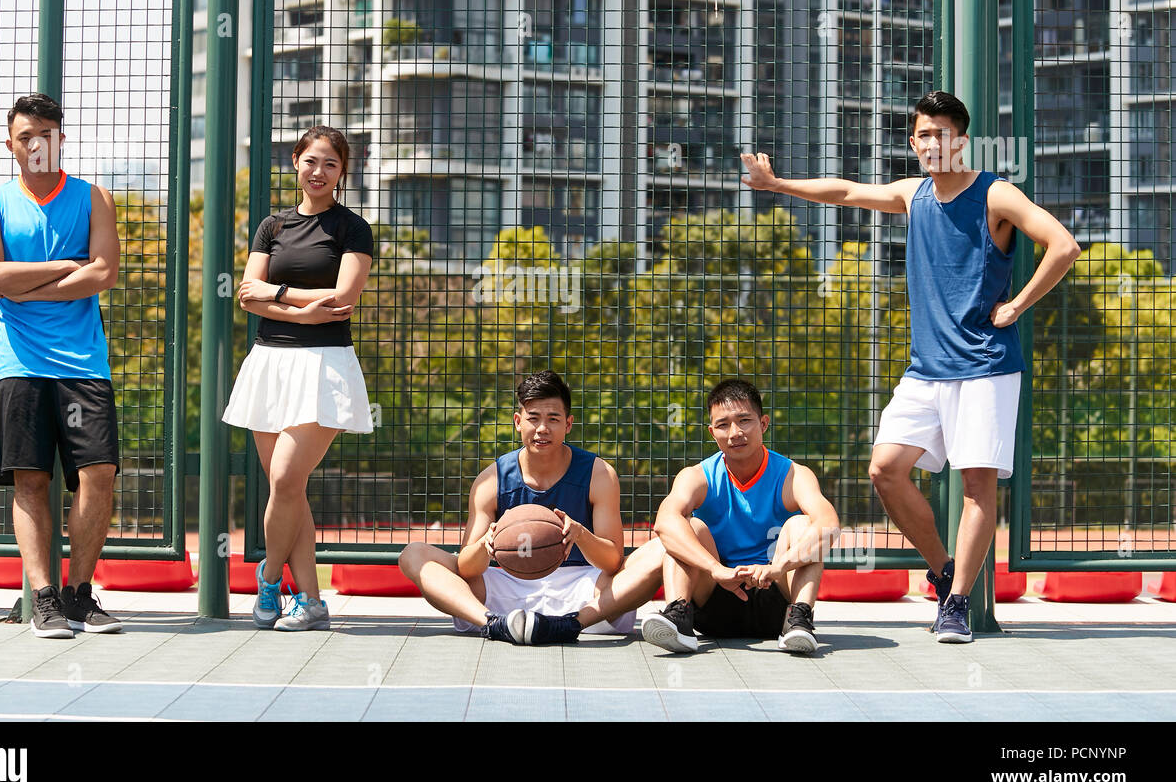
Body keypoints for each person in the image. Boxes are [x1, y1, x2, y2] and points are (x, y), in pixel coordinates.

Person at [741, 90, 1081, 642]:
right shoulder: (912, 195)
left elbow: (1063, 246)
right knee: (884, 469)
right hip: (926, 370)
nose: (931, 143)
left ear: (961, 141)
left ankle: (959, 605)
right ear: (913, 141)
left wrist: (1017, 305)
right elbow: (847, 191)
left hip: (987, 367)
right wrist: (777, 185)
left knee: (977, 487)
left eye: (942, 134)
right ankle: (946, 571)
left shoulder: (996, 194)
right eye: (923, 134)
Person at [0, 93, 122, 639]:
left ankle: (79, 596)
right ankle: (43, 600)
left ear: (61, 140)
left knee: (98, 474)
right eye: (27, 136)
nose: (37, 145)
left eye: (48, 135)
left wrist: (26, 281)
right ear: (11, 145)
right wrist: (64, 268)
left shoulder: (92, 197)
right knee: (30, 480)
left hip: (83, 365)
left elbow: (104, 272)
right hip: (20, 364)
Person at [223, 125, 373, 631]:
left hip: (324, 366)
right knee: (291, 490)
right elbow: (246, 294)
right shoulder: (272, 226)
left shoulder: (352, 228)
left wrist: (277, 295)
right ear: (295, 162)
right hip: (269, 362)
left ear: (342, 172)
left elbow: (343, 300)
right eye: (312, 161)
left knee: (286, 480)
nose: (319, 171)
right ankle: (311, 601)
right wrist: (300, 306)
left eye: (331, 164)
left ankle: (267, 579)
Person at [398, 371, 664, 645]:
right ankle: (491, 623)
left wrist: (581, 535)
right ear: (517, 422)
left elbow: (612, 562)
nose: (542, 429)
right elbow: (467, 568)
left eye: (553, 419)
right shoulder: (492, 479)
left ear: (568, 424)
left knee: (662, 548)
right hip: (506, 588)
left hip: (584, 591)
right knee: (413, 554)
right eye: (533, 418)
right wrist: (485, 546)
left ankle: (572, 624)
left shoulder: (599, 474)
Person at [637, 379, 841, 654]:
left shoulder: (794, 475)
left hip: (777, 602)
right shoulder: (697, 476)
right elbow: (664, 522)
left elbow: (829, 526)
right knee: (687, 527)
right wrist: (716, 570)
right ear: (712, 432)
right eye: (723, 425)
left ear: (764, 423)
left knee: (803, 524)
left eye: (744, 420)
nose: (735, 432)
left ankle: (800, 620)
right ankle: (679, 618)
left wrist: (778, 567)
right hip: (714, 600)